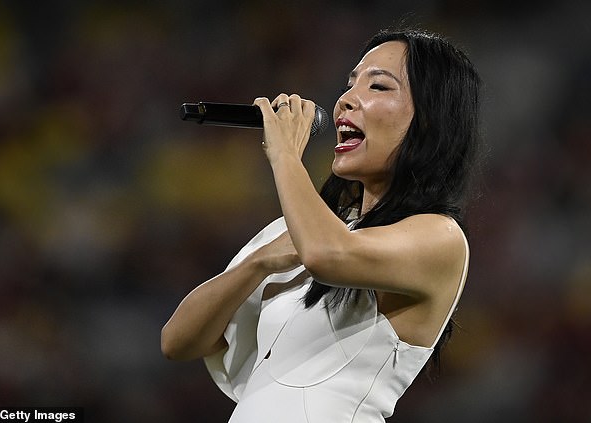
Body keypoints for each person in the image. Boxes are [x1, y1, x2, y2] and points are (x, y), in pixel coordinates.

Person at [161, 27, 481, 422]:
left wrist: (285, 157)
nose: (346, 100)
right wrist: (258, 263)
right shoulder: (305, 230)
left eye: (378, 87)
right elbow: (177, 341)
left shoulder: (440, 236)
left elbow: (324, 254)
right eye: (349, 84)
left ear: (430, 122)